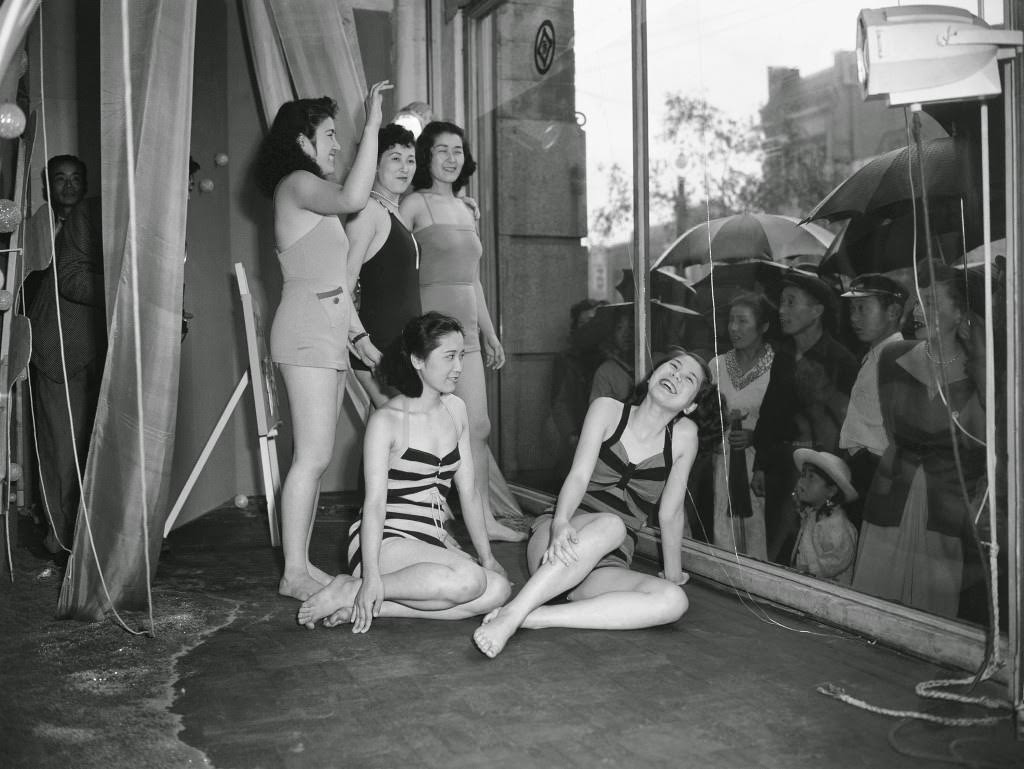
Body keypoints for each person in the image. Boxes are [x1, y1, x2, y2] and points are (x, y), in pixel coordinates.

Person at [472, 349, 718, 658]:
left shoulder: (684, 437)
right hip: (560, 539)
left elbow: (670, 513)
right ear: (655, 371)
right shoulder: (608, 410)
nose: (675, 376)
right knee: (612, 524)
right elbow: (578, 475)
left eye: (688, 379)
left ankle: (534, 618)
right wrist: (560, 523)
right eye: (673, 366)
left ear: (691, 404)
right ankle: (514, 611)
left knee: (673, 601)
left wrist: (673, 576)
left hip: (609, 560)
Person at [253, 81, 393, 601]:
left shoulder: (309, 194)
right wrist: (373, 124)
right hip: (308, 331)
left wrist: (360, 339)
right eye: (330, 135)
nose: (337, 146)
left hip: (327, 330)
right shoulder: (296, 182)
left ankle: (300, 566)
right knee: (311, 457)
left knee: (318, 455)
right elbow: (356, 196)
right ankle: (293, 573)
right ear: (301, 142)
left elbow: (333, 283)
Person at [296, 312, 511, 630]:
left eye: (461, 356)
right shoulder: (387, 422)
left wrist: (488, 555)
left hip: (429, 540)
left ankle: (366, 604)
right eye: (449, 357)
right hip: (385, 542)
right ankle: (355, 587)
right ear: (418, 360)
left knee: (497, 589)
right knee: (469, 581)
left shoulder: (456, 410)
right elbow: (374, 504)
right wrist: (370, 575)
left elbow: (469, 492)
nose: (459, 368)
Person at [400, 120, 525, 543]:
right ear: (426, 157)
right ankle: (427, 521)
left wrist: (489, 334)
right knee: (429, 427)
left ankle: (484, 519)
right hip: (431, 335)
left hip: (468, 334)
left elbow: (474, 280)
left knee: (478, 426)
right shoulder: (413, 204)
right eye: (441, 151)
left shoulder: (468, 209)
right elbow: (391, 267)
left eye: (458, 150)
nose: (451, 158)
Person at [852, 261, 986, 617]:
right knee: (872, 607)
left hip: (945, 513)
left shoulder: (979, 374)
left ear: (959, 313)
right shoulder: (892, 357)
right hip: (889, 500)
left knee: (931, 617)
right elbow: (889, 428)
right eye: (918, 300)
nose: (917, 311)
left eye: (932, 302)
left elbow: (984, 443)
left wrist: (984, 368)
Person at [751, 269, 859, 563]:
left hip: (817, 476)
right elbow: (770, 414)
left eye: (791, 302)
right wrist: (761, 464)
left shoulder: (841, 361)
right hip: (780, 469)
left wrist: (827, 481)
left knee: (809, 554)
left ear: (817, 311)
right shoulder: (783, 355)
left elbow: (844, 426)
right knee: (775, 551)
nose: (782, 311)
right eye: (781, 303)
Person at [27, 164, 104, 560]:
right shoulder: (34, 227)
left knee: (93, 443)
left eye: (77, 177)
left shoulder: (100, 213)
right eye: (60, 178)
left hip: (95, 342)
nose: (69, 184)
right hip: (55, 343)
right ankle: (59, 539)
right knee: (60, 445)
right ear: (47, 186)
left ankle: (90, 536)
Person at [344, 122, 420, 407]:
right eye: (395, 158)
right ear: (374, 164)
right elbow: (344, 282)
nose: (405, 167)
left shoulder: (396, 214)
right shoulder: (367, 212)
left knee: (392, 440)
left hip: (403, 349)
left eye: (411, 160)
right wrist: (360, 339)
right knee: (398, 434)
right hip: (377, 350)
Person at [837, 273, 909, 523]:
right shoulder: (874, 355)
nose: (854, 317)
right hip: (862, 467)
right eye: (852, 309)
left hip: (878, 469)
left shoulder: (897, 358)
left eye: (863, 308)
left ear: (893, 312)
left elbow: (899, 429)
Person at [709, 292, 775, 560]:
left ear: (764, 327)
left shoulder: (777, 367)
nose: (734, 328)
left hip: (760, 464)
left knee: (759, 532)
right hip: (722, 461)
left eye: (743, 321)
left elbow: (783, 421)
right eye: (731, 321)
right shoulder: (717, 366)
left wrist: (756, 436)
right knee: (723, 533)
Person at [789, 449, 858, 585]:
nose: (802, 481)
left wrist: (804, 570)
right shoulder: (814, 513)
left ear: (831, 491)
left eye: (811, 477)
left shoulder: (838, 527)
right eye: (803, 474)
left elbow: (835, 561)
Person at [588, 306, 635, 404]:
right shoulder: (605, 372)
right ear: (612, 333)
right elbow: (600, 414)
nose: (626, 334)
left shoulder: (656, 360)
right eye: (619, 328)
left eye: (631, 327)